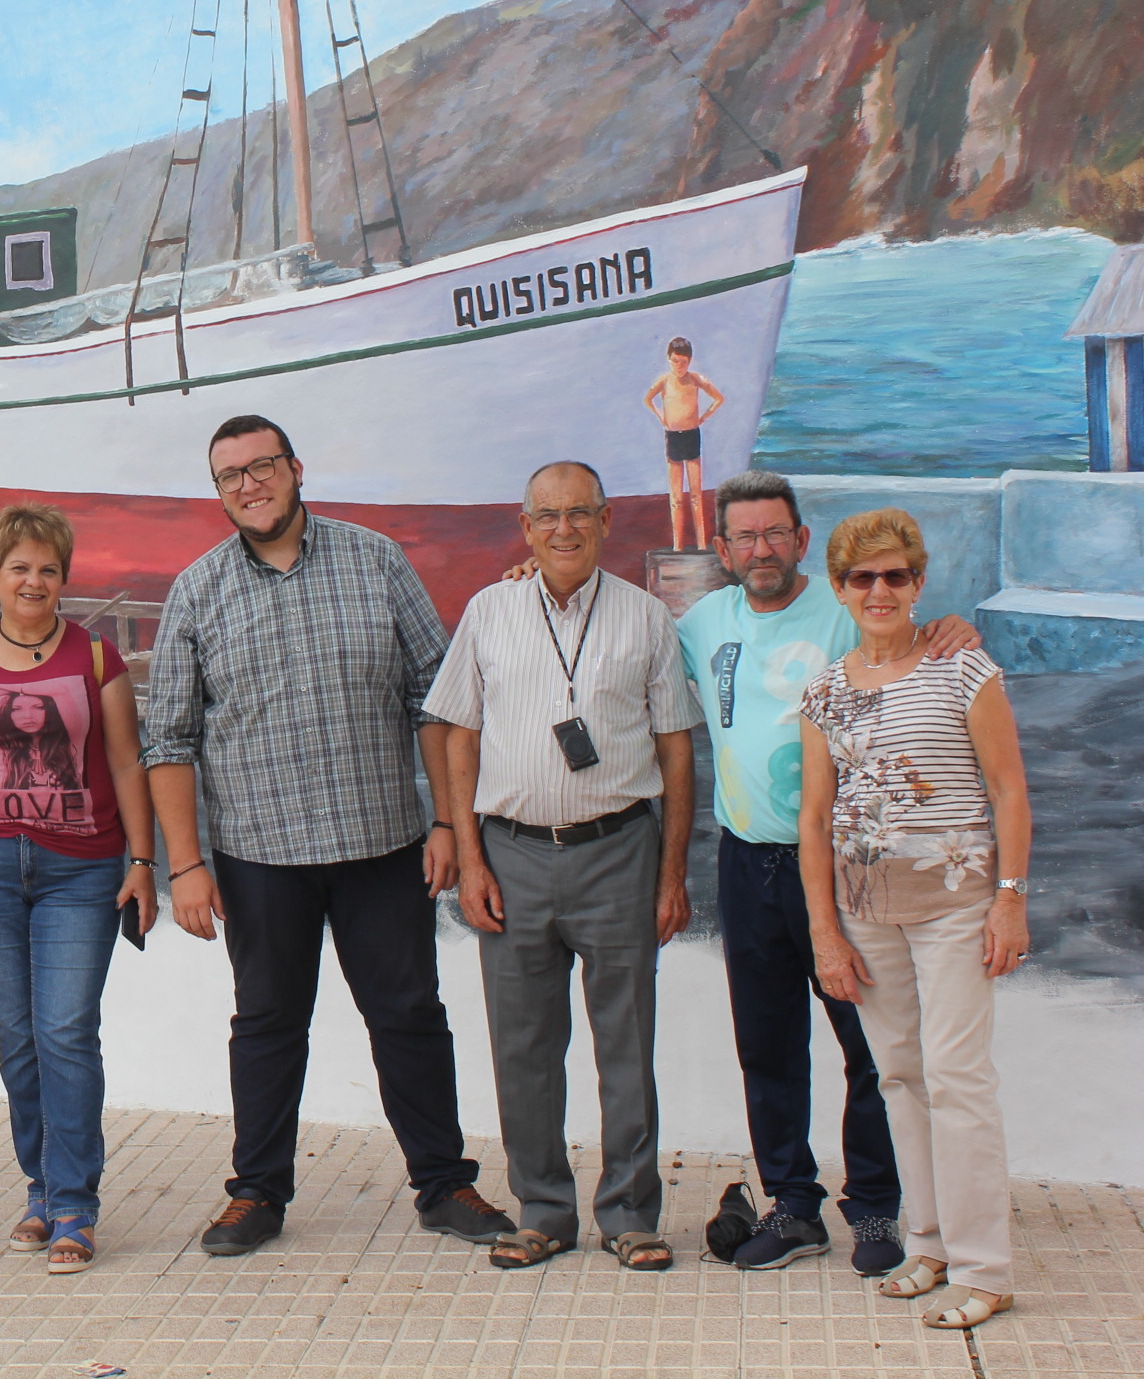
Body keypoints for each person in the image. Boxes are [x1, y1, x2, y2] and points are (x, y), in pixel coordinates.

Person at [145, 416, 512, 1259]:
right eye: (229, 475)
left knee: (410, 1015)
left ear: (295, 468)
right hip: (259, 855)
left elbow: (438, 693)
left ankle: (444, 1183)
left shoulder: (375, 560)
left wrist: (450, 821)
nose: (248, 485)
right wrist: (187, 866)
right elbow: (166, 740)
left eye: (261, 466)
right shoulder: (198, 590)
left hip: (381, 842)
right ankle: (257, 1194)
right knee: (267, 1024)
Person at [677, 471, 982, 1275]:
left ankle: (877, 1211)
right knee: (767, 1045)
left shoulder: (844, 610)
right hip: (746, 860)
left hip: (847, 865)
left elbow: (905, 640)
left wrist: (952, 628)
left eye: (775, 533)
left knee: (870, 1046)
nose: (761, 548)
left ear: (801, 541)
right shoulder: (703, 622)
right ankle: (793, 1203)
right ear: (723, 551)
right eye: (743, 536)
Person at [425, 463, 700, 1273]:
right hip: (511, 855)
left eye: (580, 514)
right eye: (547, 517)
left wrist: (672, 872)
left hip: (619, 851)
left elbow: (675, 749)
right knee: (524, 1049)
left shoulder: (648, 619)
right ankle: (543, 1210)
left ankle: (630, 1214)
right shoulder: (490, 610)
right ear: (525, 526)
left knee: (626, 1043)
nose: (564, 530)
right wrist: (470, 858)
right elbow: (456, 735)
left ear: (608, 520)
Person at [800, 508, 1033, 1333]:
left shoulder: (964, 670)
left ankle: (985, 1268)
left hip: (958, 909)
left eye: (895, 576)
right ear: (840, 589)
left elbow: (1008, 789)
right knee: (899, 1077)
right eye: (863, 578)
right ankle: (927, 1246)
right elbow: (815, 820)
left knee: (959, 1079)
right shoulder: (825, 692)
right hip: (868, 919)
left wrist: (1010, 895)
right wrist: (825, 932)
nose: (880, 590)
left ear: (918, 583)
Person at [0, 504, 155, 1276]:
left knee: (63, 1032)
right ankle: (40, 1186)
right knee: (18, 1041)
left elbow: (126, 764)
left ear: (63, 579)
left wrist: (142, 862)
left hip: (82, 869)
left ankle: (75, 1204)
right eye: (19, 567)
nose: (33, 580)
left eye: (47, 569)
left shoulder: (96, 658)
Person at [642, 336, 725, 550]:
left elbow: (718, 398)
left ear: (690, 361)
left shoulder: (696, 379)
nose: (679, 366)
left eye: (683, 362)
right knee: (676, 497)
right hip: (673, 437)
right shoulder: (664, 381)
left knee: (696, 495)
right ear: (669, 359)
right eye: (675, 361)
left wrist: (704, 417)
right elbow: (648, 399)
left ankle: (701, 545)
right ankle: (678, 546)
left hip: (691, 435)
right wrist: (661, 417)